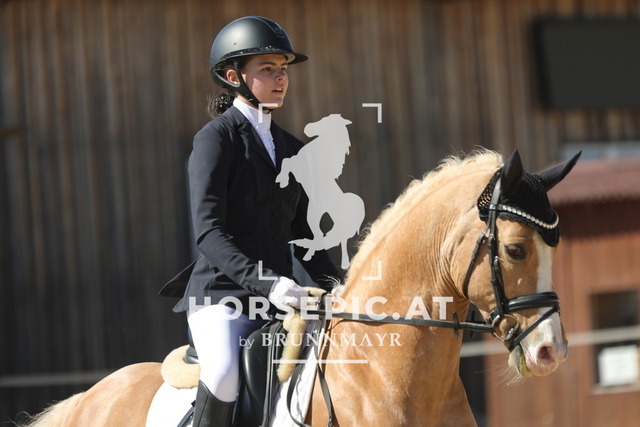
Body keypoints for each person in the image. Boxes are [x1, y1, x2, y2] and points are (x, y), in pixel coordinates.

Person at [160, 16, 341, 427]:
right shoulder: (216, 139)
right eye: (267, 68)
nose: (280, 78)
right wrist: (271, 283)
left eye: (283, 69)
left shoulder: (293, 149)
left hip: (278, 303)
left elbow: (305, 238)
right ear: (233, 76)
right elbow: (209, 234)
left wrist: (336, 290)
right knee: (224, 376)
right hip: (220, 299)